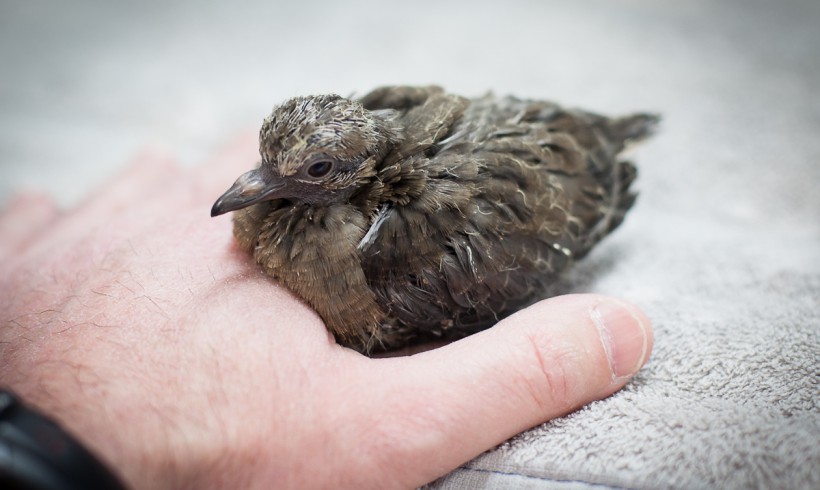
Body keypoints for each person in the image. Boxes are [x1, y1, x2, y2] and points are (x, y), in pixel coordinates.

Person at [0, 133, 653, 489]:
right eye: (266, 165)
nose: (250, 189)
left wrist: (54, 451)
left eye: (309, 170)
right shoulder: (283, 207)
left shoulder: (406, 249)